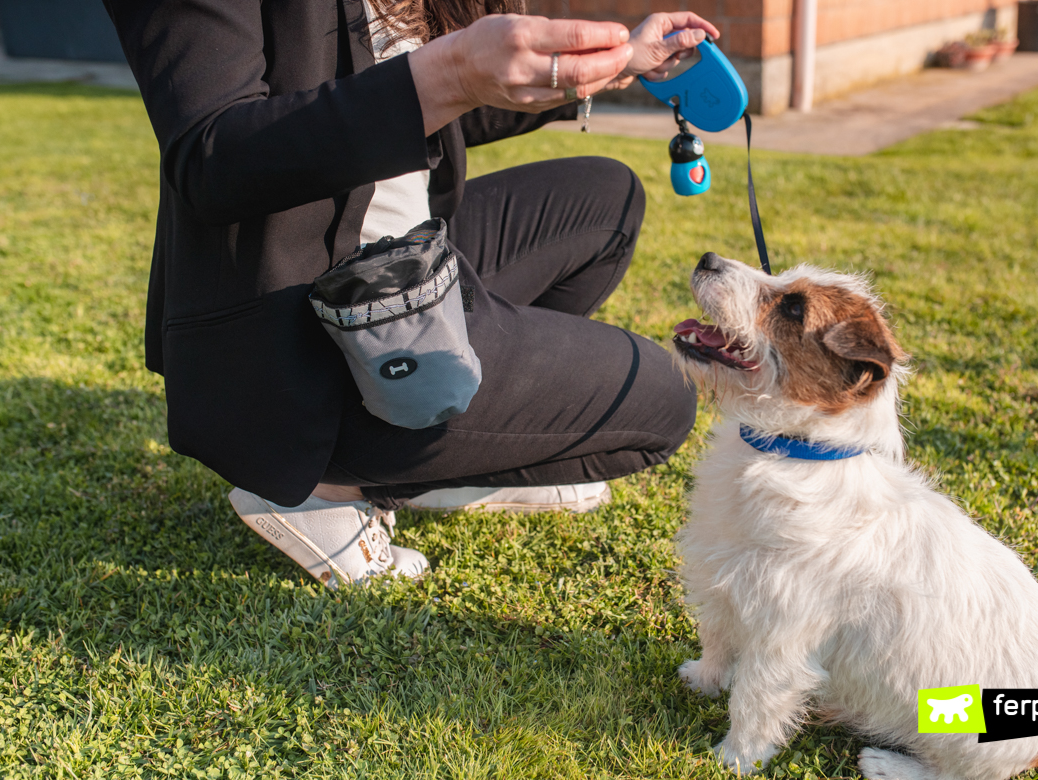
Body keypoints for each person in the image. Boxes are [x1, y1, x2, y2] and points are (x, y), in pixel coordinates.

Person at [104, 0, 716, 588]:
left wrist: (598, 70)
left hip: (397, 252)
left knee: (605, 199)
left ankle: (445, 452)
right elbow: (211, 154)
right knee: (665, 399)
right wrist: (450, 69)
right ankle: (335, 483)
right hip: (307, 332)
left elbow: (406, 108)